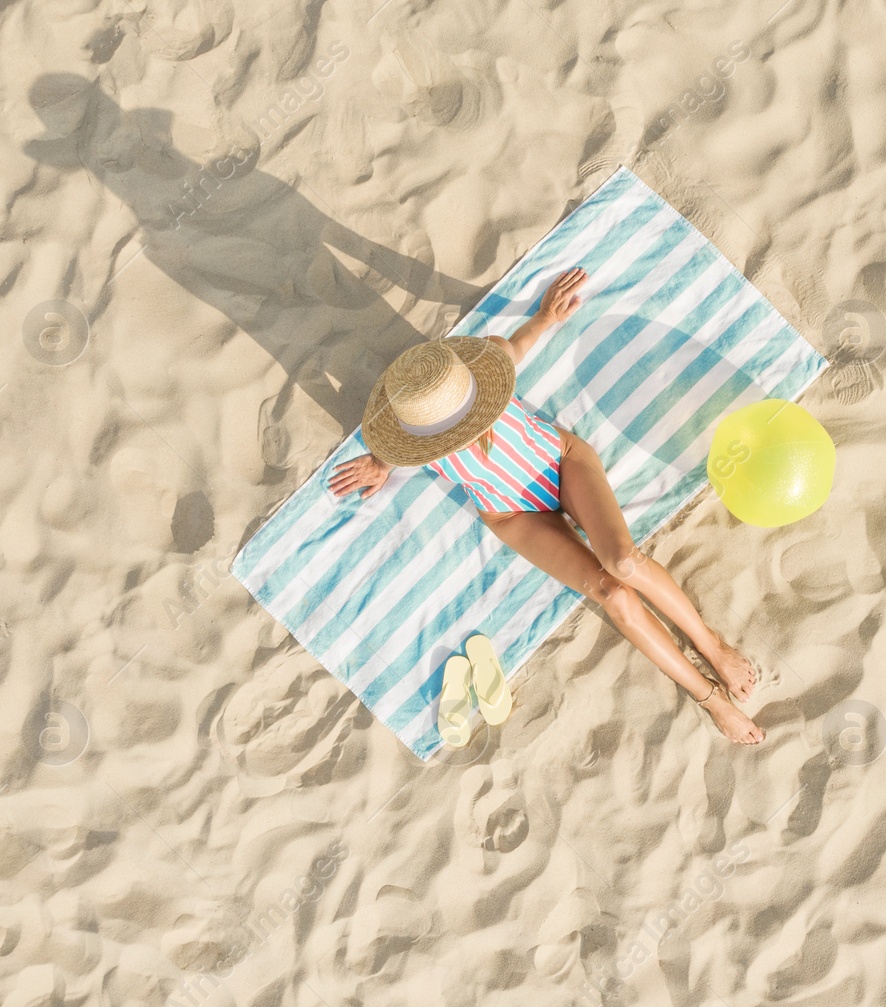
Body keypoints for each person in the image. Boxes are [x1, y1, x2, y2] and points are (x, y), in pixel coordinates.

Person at [326, 268, 763, 744]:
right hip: (511, 513)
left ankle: (710, 643)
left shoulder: (484, 369)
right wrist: (380, 464)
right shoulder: (411, 431)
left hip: (561, 463)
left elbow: (516, 344)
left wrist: (545, 316)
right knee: (613, 595)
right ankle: (709, 698)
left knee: (624, 563)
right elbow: (392, 448)